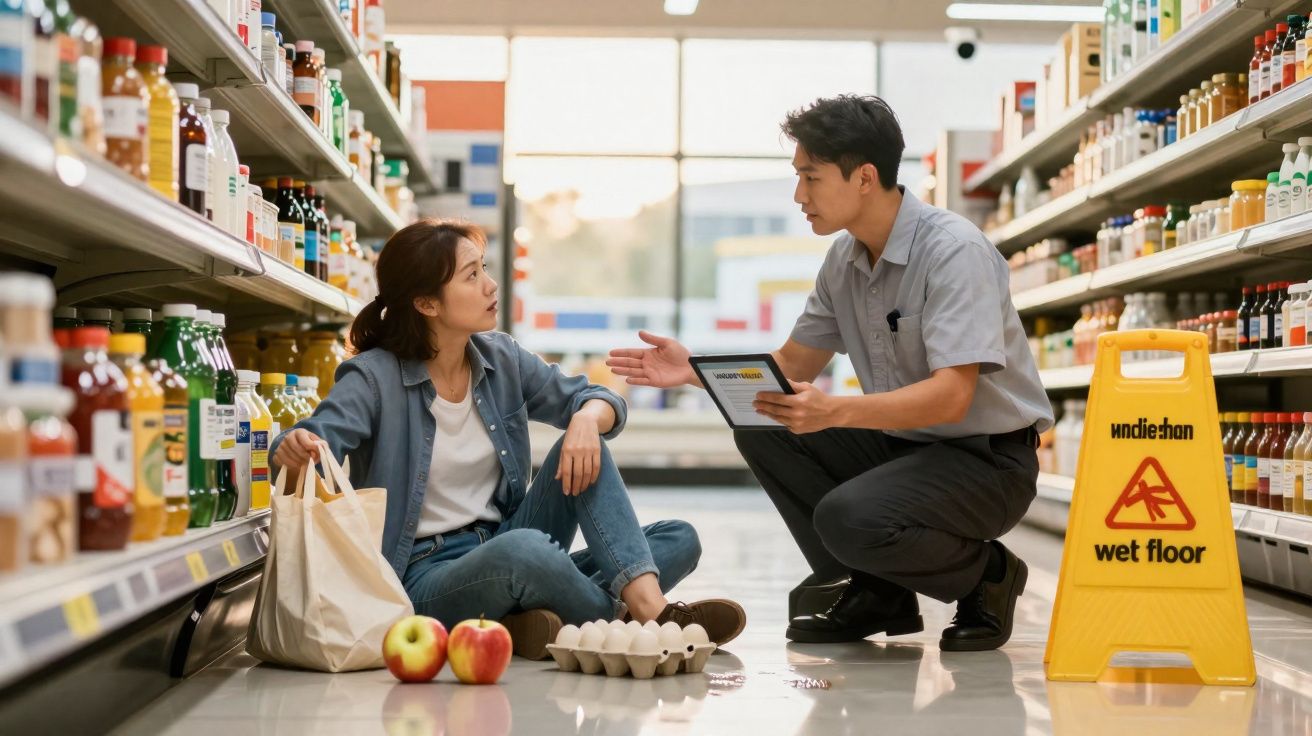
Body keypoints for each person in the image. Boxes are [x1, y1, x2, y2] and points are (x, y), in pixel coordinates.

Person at [607, 95, 1052, 652]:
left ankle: (988, 574)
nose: (799, 195)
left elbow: (952, 398)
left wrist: (834, 410)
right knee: (763, 423)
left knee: (848, 516)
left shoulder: (954, 252)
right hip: (906, 449)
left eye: (810, 178)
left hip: (987, 460)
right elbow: (791, 367)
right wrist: (692, 371)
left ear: (864, 177)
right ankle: (878, 591)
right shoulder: (844, 260)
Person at [272, 219, 745, 660]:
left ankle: (538, 620)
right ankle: (647, 616)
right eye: (471, 275)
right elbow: (307, 447)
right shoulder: (374, 377)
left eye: (484, 270)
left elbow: (600, 399)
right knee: (526, 552)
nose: (490, 285)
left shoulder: (501, 358)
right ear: (427, 304)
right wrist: (294, 451)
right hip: (425, 574)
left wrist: (583, 421)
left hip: (506, 534)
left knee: (678, 537)